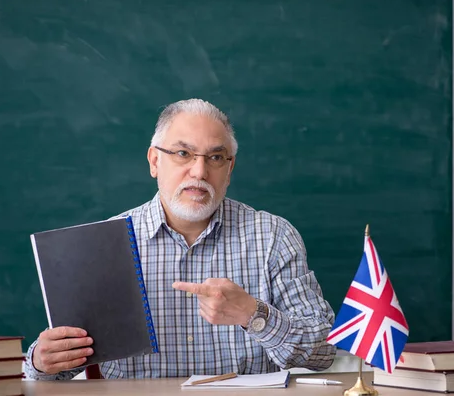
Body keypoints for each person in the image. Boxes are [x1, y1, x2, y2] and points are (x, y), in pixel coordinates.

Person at [24, 98, 336, 380]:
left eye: (215, 157)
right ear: (154, 161)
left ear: (230, 170)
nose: (199, 171)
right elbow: (56, 374)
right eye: (183, 153)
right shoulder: (106, 243)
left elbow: (322, 353)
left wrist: (253, 315)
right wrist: (41, 360)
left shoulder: (273, 237)